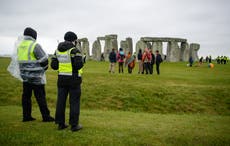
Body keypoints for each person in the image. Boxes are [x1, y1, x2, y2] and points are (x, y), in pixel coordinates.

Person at [16, 27, 54, 122]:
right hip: (36, 76)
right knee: (40, 96)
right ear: (33, 35)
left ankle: (26, 116)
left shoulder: (20, 46)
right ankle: (46, 116)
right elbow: (44, 60)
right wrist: (43, 70)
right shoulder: (34, 45)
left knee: (26, 96)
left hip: (25, 76)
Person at [51, 31, 84, 132]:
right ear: (74, 40)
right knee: (74, 102)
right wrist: (83, 60)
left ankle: (60, 123)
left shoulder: (57, 51)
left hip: (61, 79)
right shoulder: (75, 51)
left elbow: (54, 66)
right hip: (73, 79)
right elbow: (78, 65)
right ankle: (74, 125)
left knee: (61, 101)